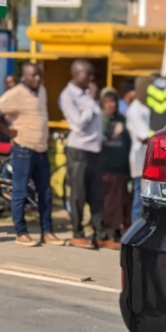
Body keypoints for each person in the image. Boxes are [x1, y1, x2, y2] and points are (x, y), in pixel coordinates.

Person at [0, 63, 62, 247]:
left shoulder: (41, 90)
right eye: (33, 75)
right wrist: (7, 131)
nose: (37, 79)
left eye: (39, 75)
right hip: (23, 149)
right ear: (24, 77)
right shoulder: (16, 93)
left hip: (41, 150)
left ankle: (47, 231)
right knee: (20, 192)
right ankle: (21, 232)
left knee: (45, 193)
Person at [59, 59, 108, 249]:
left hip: (95, 150)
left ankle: (100, 233)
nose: (91, 78)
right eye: (87, 74)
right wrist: (91, 101)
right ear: (76, 74)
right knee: (78, 194)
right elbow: (78, 124)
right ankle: (77, 234)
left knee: (96, 194)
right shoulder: (68, 96)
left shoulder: (88, 93)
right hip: (78, 150)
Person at [99, 88, 130, 247]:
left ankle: (117, 233)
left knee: (121, 202)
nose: (112, 105)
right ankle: (106, 233)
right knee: (108, 202)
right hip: (105, 168)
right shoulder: (100, 120)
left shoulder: (123, 120)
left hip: (121, 167)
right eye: (108, 102)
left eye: (114, 101)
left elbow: (128, 141)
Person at [126, 77, 152, 225]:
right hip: (140, 161)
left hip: (148, 161)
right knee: (139, 200)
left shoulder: (147, 106)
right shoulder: (135, 110)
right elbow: (145, 136)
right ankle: (135, 232)